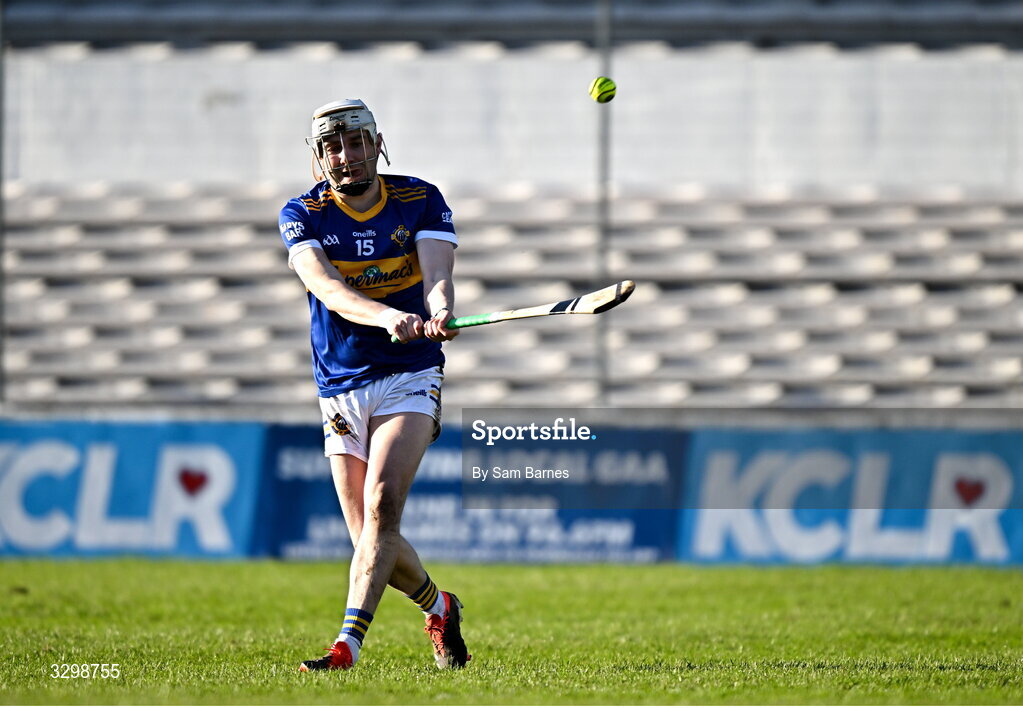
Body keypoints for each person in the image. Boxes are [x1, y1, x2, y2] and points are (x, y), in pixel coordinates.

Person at [278, 98, 470, 671]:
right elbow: (328, 289)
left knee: (383, 508)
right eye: (334, 147)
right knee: (368, 537)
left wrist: (438, 310)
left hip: (411, 372)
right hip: (340, 380)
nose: (348, 156)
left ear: (377, 144)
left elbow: (437, 274)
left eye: (358, 143)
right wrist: (387, 316)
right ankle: (440, 605)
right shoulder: (302, 213)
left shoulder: (419, 198)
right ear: (318, 159)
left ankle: (346, 647)